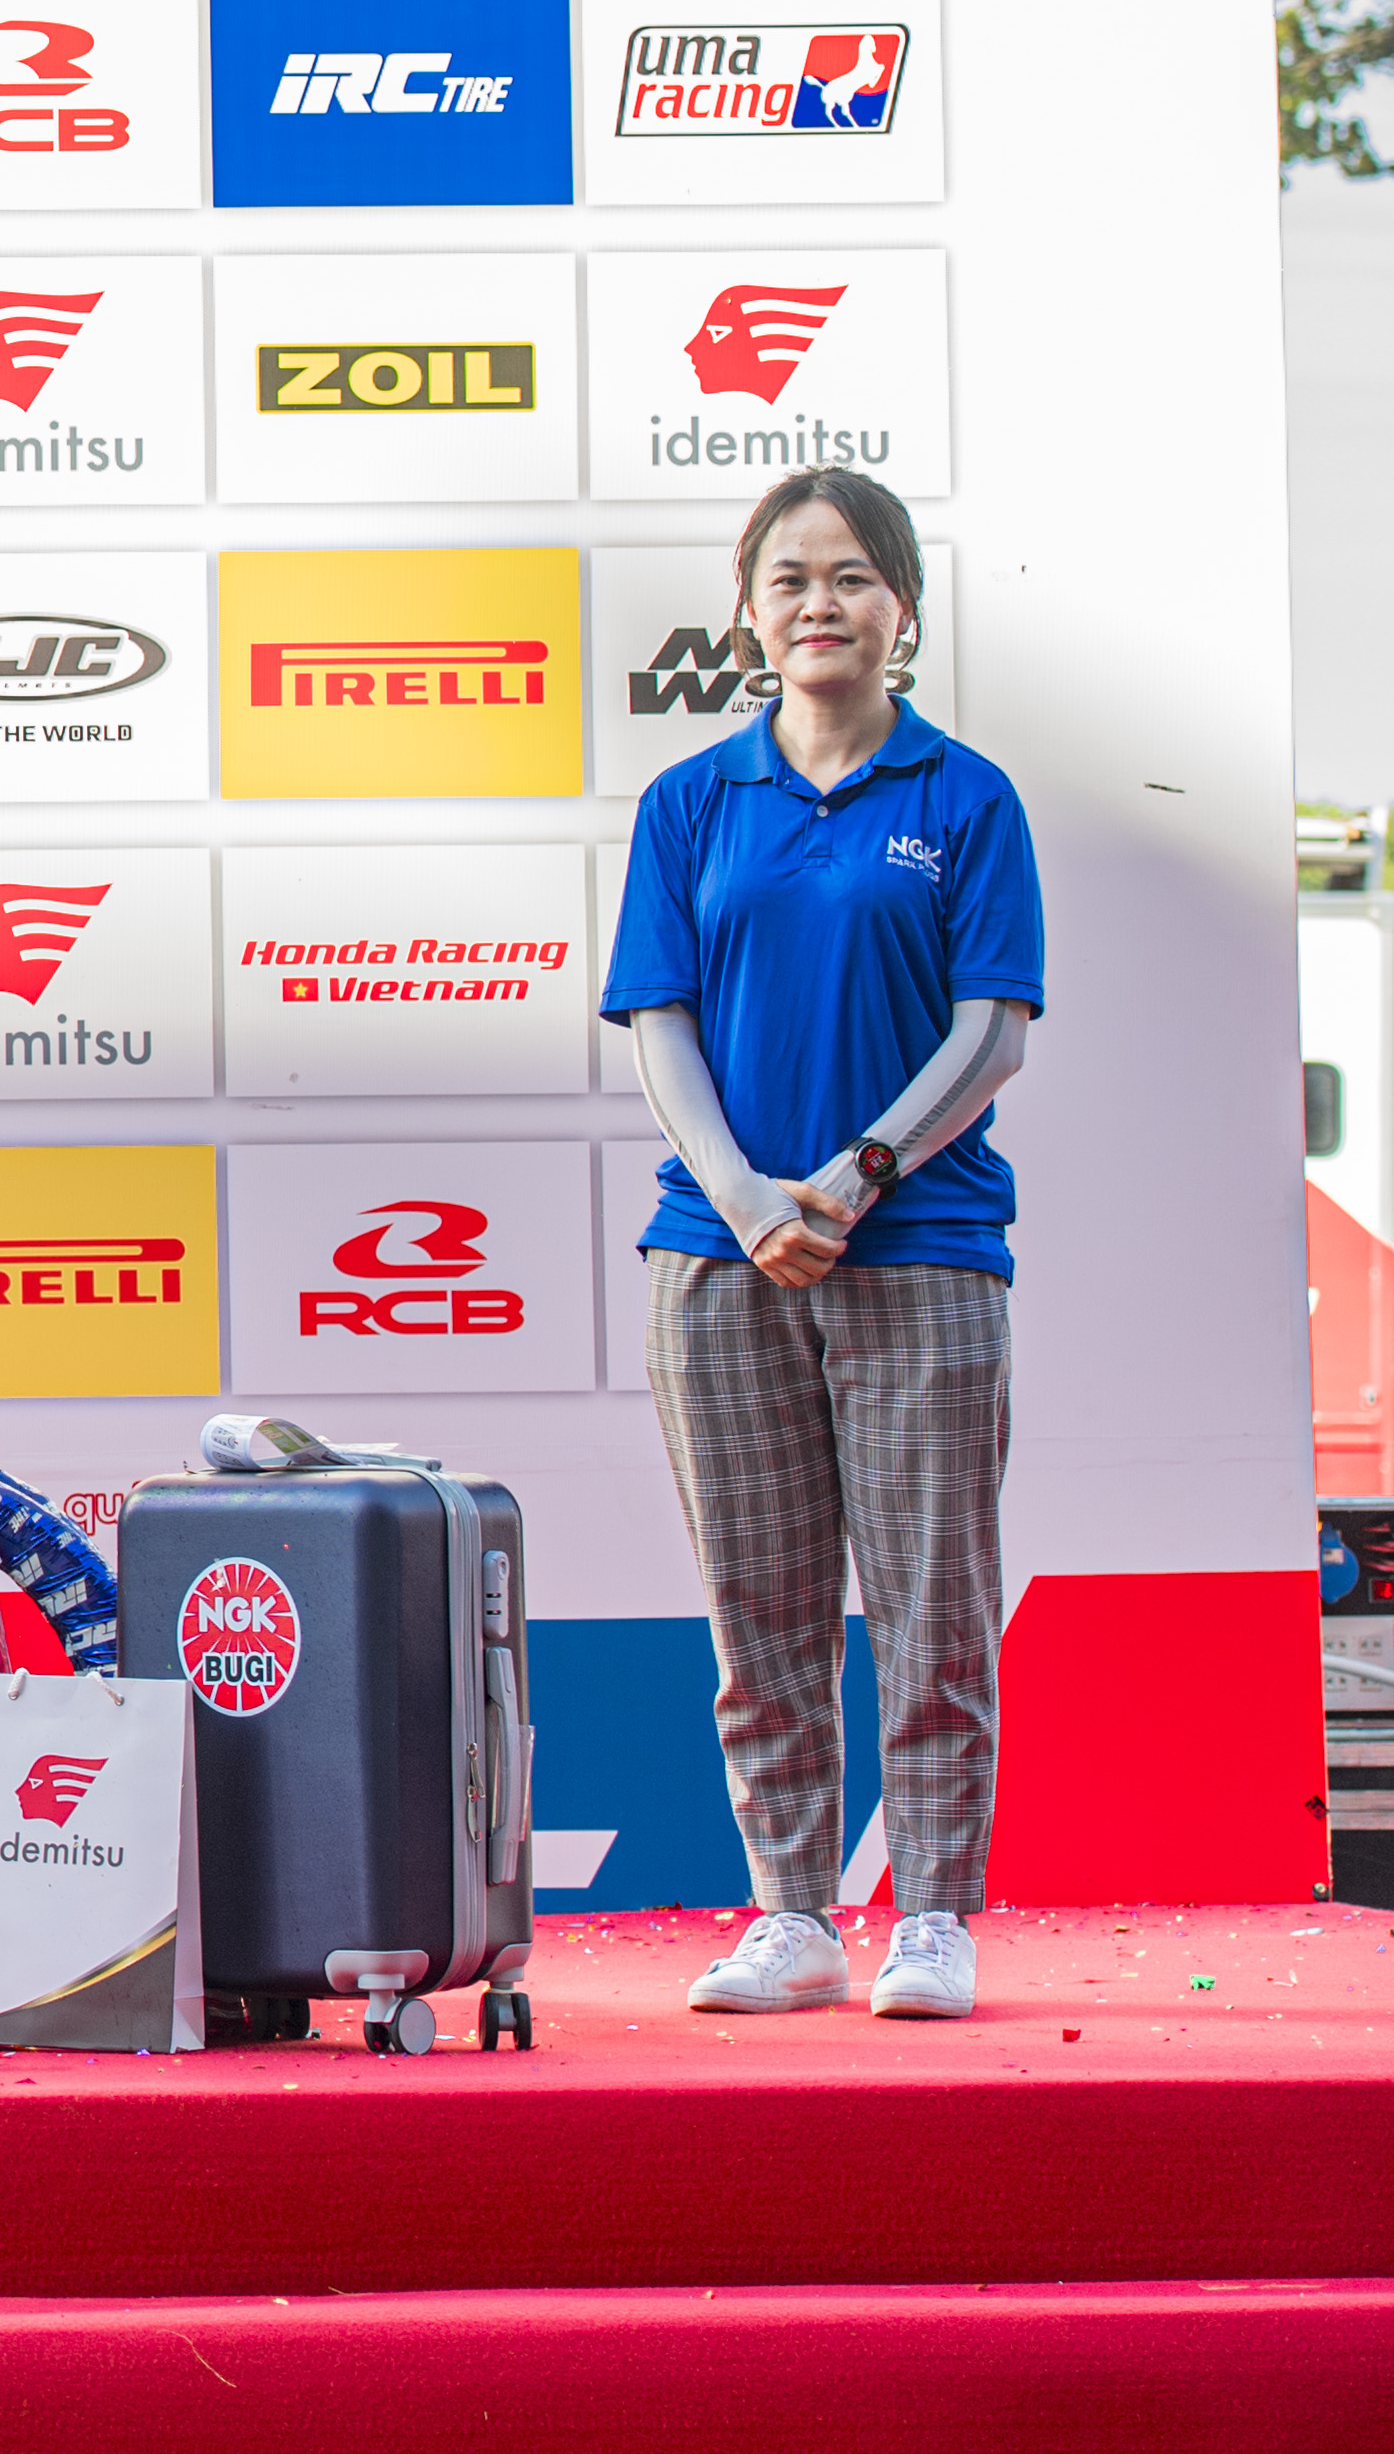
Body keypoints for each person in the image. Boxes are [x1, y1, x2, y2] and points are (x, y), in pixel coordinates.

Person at [602, 465, 1039, 2027]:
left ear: (902, 606)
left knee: (931, 1595)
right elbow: (657, 1018)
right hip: (720, 1256)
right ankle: (791, 1912)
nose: (820, 604)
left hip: (920, 1245)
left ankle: (933, 1914)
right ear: (748, 612)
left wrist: (855, 1176)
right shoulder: (690, 803)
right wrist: (744, 1197)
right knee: (761, 1603)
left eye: (852, 575)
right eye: (789, 578)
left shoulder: (965, 798)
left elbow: (992, 1031)